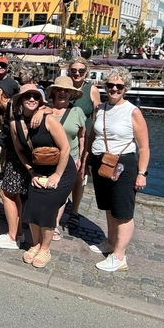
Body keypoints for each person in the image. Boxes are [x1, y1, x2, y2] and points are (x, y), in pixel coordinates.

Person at [86, 67, 150, 272]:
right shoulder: (100, 108)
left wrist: (141, 173)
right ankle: (110, 241)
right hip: (101, 162)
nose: (114, 89)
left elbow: (144, 147)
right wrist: (87, 158)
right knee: (108, 206)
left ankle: (119, 256)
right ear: (105, 86)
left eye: (119, 86)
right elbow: (92, 136)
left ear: (125, 88)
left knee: (123, 211)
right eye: (110, 85)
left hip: (123, 164)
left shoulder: (132, 111)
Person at [10, 84, 76, 268]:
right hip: (38, 171)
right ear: (20, 100)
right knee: (32, 205)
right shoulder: (15, 124)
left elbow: (66, 148)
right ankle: (35, 244)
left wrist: (57, 175)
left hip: (62, 170)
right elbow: (20, 151)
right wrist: (31, 171)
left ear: (40, 100)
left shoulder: (49, 120)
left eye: (35, 96)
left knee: (48, 207)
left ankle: (45, 249)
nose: (31, 99)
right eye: (27, 96)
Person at [0, 78, 29, 250]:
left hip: (19, 157)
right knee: (13, 195)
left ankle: (12, 237)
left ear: (0, 90)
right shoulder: (0, 111)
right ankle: (19, 233)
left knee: (5, 194)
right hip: (14, 156)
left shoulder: (12, 107)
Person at [46, 76, 87, 240]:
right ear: (54, 91)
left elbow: (82, 136)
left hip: (70, 159)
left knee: (61, 193)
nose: (62, 93)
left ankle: (54, 224)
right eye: (59, 89)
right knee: (47, 191)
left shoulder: (77, 112)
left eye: (66, 90)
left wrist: (81, 158)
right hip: (48, 158)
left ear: (71, 94)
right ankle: (43, 219)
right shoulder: (45, 110)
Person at [65, 56, 101, 228]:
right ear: (69, 71)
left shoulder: (91, 90)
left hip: (83, 139)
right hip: (64, 137)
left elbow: (97, 117)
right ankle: (58, 204)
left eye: (80, 71)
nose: (77, 73)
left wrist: (93, 142)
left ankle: (74, 211)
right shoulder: (64, 86)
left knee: (80, 175)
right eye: (73, 70)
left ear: (86, 72)